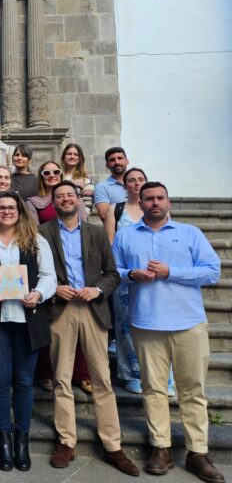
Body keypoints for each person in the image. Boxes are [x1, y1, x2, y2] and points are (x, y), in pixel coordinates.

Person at [113, 182, 223, 483]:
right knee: (154, 390)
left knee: (193, 390)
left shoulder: (190, 233)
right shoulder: (125, 235)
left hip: (188, 322)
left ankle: (197, 452)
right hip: (146, 322)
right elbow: (114, 271)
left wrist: (171, 272)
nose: (155, 203)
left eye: (160, 198)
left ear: (168, 201)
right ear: (141, 202)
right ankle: (160, 447)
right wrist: (131, 275)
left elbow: (213, 271)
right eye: (149, 198)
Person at [38, 181, 139, 476]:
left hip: (94, 309)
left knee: (102, 380)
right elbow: (34, 271)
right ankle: (66, 441)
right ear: (53, 201)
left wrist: (97, 290)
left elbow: (112, 273)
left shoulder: (96, 232)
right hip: (61, 310)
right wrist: (54, 288)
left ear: (79, 201)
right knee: (61, 378)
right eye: (60, 196)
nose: (66, 199)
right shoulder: (42, 233)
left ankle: (113, 445)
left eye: (70, 195)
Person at [0, 191, 56, 472]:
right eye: (1, 208)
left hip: (27, 320)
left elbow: (49, 277)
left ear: (19, 211)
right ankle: (3, 441)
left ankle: (22, 441)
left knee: (22, 382)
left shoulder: (35, 240)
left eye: (11, 207)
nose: (6, 211)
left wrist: (38, 294)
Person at [27, 161, 91, 393]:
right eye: (47, 172)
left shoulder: (82, 211)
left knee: (81, 333)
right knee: (50, 330)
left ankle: (81, 374)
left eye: (56, 171)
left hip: (79, 274)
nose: (52, 175)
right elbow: (34, 233)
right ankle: (47, 373)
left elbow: (85, 232)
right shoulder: (34, 204)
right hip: (49, 263)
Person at [104, 167, 148, 393]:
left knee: (154, 327)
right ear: (125, 185)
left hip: (152, 277)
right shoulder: (116, 209)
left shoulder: (154, 206)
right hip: (124, 277)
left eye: (141, 179)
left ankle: (159, 374)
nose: (136, 183)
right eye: (132, 180)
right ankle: (131, 373)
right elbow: (110, 243)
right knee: (125, 327)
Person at [26, 161, 87, 226]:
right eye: (46, 173)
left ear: (61, 175)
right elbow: (34, 231)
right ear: (42, 177)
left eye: (56, 172)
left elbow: (84, 228)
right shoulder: (32, 203)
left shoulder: (76, 199)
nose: (52, 175)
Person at [93, 147, 129, 221]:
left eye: (120, 158)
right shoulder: (102, 187)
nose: (117, 162)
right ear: (107, 165)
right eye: (112, 160)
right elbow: (104, 215)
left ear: (127, 161)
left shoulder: (138, 183)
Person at [60, 143, 95, 214]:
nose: (72, 157)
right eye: (69, 154)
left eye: (76, 154)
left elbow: (87, 206)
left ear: (80, 159)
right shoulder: (57, 176)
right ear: (64, 157)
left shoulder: (86, 179)